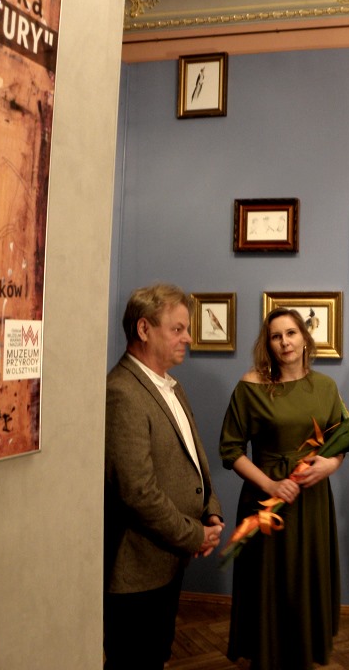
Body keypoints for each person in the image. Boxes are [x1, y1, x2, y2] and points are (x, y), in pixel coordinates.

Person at [104, 284, 224, 670]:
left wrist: (210, 510)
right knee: (135, 660)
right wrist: (194, 535)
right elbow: (136, 491)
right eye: (177, 329)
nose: (188, 338)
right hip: (137, 569)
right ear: (144, 329)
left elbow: (195, 456)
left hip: (169, 559)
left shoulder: (171, 385)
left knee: (157, 654)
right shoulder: (122, 392)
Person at [219, 308, 347, 669]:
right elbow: (230, 450)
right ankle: (266, 655)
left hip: (312, 499)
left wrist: (331, 464)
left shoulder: (326, 387)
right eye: (276, 336)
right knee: (269, 580)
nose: (285, 342)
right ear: (268, 344)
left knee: (306, 575)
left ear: (305, 339)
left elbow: (340, 441)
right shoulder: (251, 386)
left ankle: (302, 653)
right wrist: (271, 484)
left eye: (291, 333)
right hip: (266, 499)